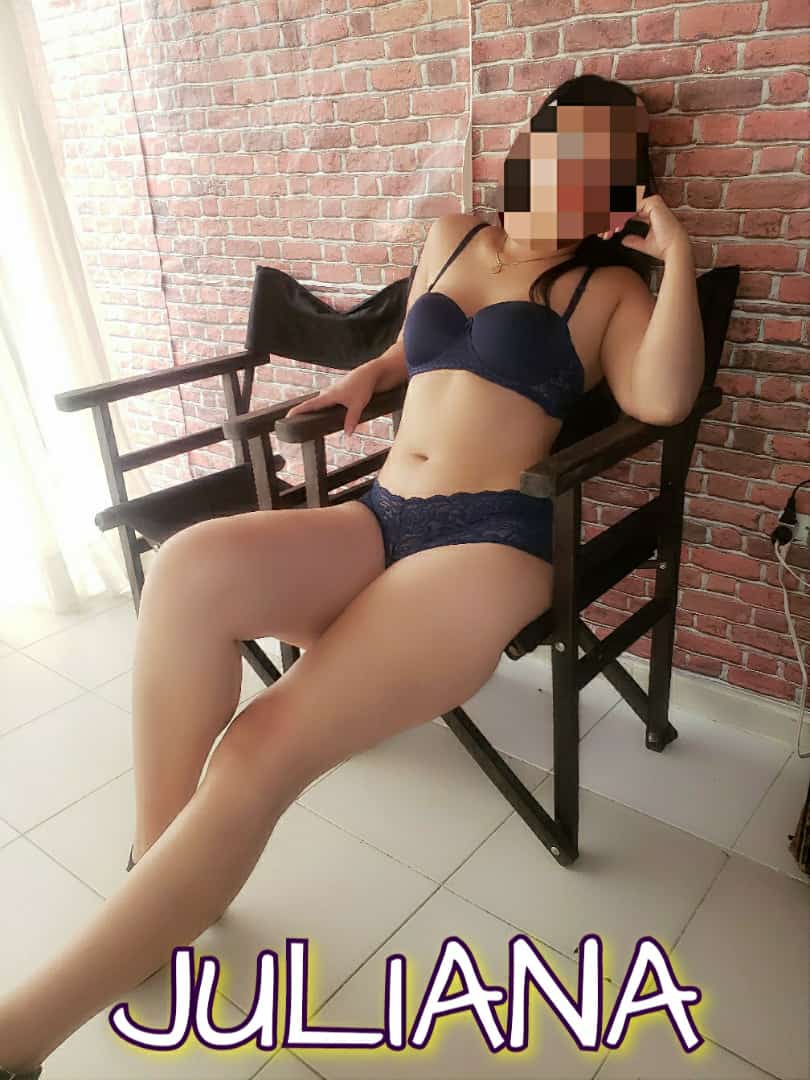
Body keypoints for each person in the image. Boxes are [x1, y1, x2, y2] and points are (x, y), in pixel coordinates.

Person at [0, 72, 705, 1078]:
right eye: (566, 149)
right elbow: (423, 348)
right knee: (187, 568)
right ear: (531, 150)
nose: (577, 179)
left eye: (606, 169)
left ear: (620, 192)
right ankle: (159, 876)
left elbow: (664, 399)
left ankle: (20, 1036)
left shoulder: (613, 290)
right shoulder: (451, 234)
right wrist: (368, 378)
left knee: (261, 745)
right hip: (381, 512)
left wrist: (677, 258)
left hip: (490, 539)